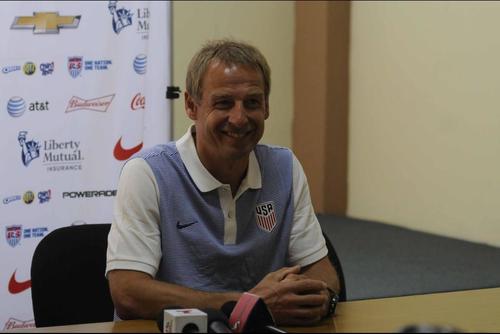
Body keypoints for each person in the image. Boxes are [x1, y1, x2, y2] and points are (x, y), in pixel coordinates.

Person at [106, 39, 341, 326]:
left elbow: (321, 270)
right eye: (224, 103)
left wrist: (321, 298)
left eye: (252, 102)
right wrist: (247, 305)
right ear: (192, 106)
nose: (239, 118)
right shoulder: (147, 173)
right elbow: (127, 292)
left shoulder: (284, 167)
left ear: (266, 107)